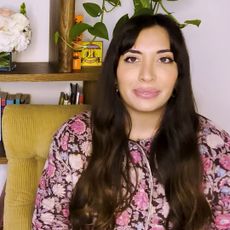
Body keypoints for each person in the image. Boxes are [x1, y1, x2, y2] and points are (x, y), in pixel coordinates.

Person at [32, 14, 230, 230]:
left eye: (163, 59)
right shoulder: (74, 138)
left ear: (178, 75)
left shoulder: (214, 145)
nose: (147, 75)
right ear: (115, 73)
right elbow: (48, 221)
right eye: (132, 58)